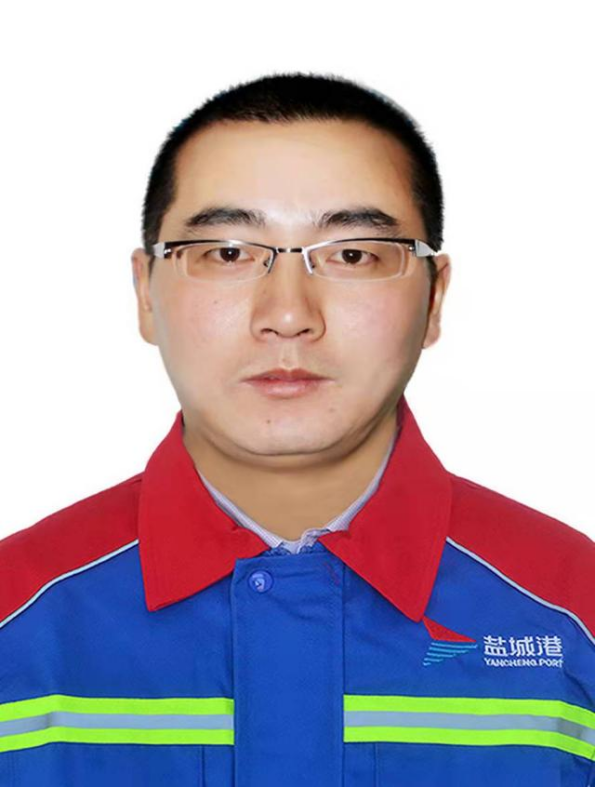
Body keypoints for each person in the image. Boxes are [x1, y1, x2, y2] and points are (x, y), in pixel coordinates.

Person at [1, 72, 593, 786]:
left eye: (352, 254)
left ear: (434, 298)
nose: (287, 315)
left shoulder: (575, 610)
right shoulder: (15, 611)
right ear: (145, 294)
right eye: (227, 252)